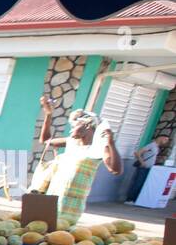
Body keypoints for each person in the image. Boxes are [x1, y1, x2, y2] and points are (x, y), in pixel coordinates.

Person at [34, 95, 121, 225]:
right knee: (40, 228)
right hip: (52, 196)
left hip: (71, 204)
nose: (71, 130)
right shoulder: (71, 142)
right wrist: (48, 114)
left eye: (74, 125)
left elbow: (115, 170)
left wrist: (111, 143)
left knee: (60, 234)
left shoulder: (98, 148)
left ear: (87, 125)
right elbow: (45, 141)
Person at [125, 134, 171, 204]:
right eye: (165, 139)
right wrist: (142, 162)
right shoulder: (151, 145)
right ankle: (129, 200)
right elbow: (137, 153)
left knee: (142, 184)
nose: (166, 142)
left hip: (149, 168)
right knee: (138, 183)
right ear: (161, 138)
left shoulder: (156, 147)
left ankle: (135, 200)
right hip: (143, 168)